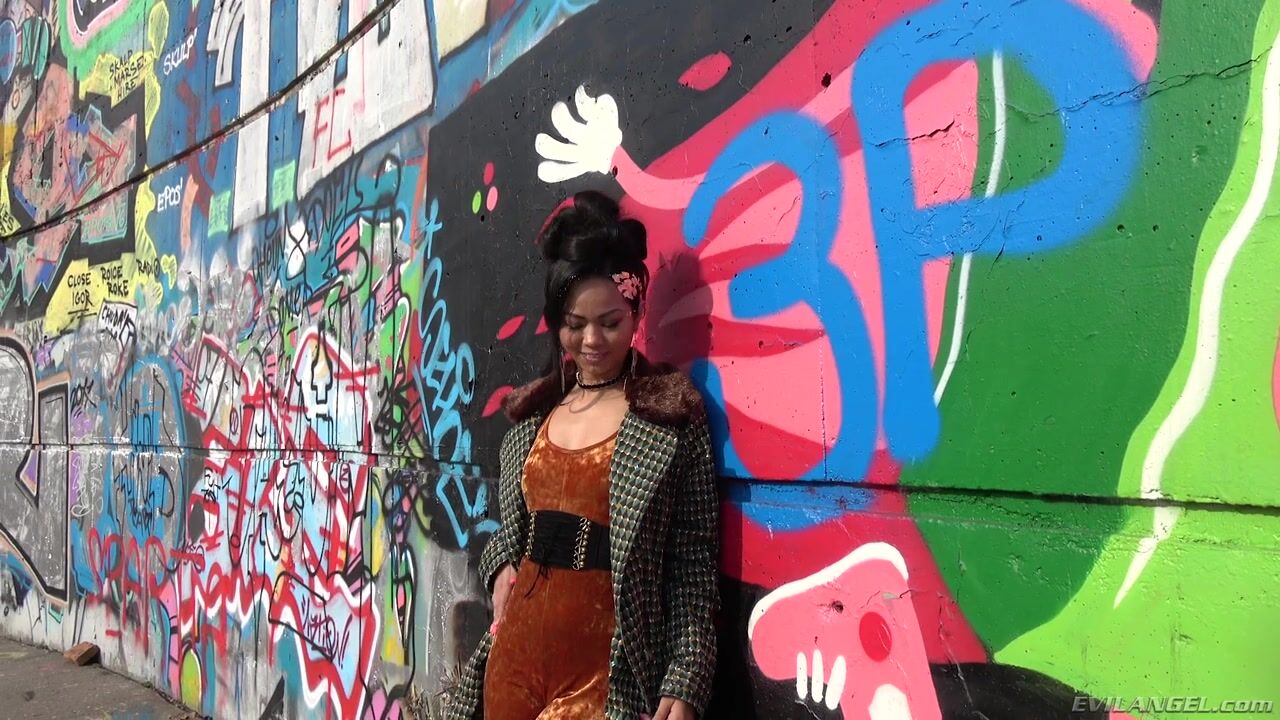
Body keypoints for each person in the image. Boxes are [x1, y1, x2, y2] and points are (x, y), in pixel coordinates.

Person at [444, 191, 720, 720]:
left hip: (606, 678)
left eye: (610, 322)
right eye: (575, 324)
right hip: (514, 665)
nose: (592, 340)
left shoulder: (669, 418)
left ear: (636, 309)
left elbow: (693, 563)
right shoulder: (534, 419)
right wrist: (500, 569)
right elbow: (513, 534)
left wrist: (686, 676)